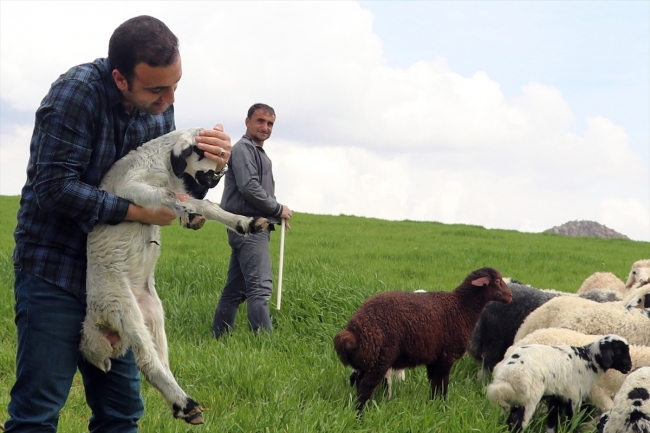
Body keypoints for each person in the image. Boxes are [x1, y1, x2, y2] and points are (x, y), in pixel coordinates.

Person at [6, 15, 231, 432]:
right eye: (157, 89)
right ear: (120, 78)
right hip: (55, 267)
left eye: (175, 85)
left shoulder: (159, 106)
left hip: (122, 275)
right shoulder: (76, 94)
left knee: (122, 414)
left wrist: (213, 166)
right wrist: (140, 212)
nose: (168, 100)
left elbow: (176, 191)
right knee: (38, 412)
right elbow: (54, 188)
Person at [211, 103, 292, 339]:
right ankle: (264, 343)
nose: (265, 127)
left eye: (270, 124)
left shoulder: (256, 151)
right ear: (247, 121)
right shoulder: (244, 149)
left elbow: (254, 189)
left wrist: (276, 215)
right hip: (249, 226)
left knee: (235, 289)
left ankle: (219, 338)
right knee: (260, 289)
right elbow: (249, 188)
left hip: (246, 226)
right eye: (260, 121)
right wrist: (277, 208)